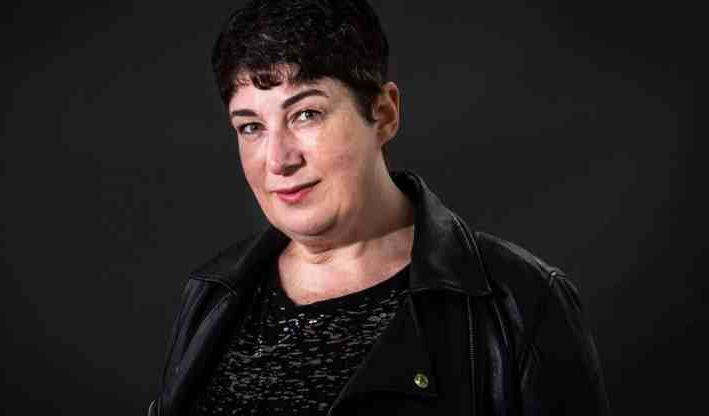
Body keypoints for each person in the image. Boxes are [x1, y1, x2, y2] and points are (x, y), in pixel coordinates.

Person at [148, 0, 610, 414]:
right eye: (250, 127)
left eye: (306, 114)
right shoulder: (213, 294)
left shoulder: (522, 300)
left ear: (383, 114)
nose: (278, 160)